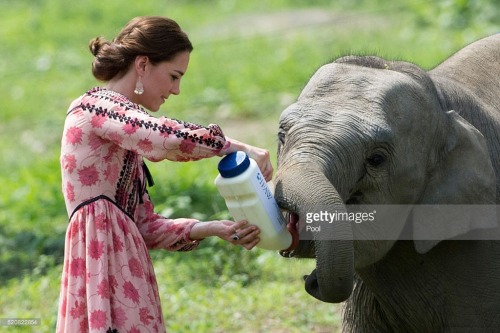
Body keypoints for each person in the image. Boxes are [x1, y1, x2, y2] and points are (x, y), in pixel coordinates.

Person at [56, 16, 273, 333]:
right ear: (142, 65)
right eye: (173, 76)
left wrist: (214, 229)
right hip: (101, 272)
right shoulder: (95, 108)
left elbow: (144, 225)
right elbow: (166, 138)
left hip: (126, 273)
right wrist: (234, 148)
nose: (176, 90)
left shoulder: (123, 133)